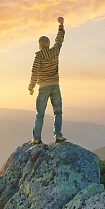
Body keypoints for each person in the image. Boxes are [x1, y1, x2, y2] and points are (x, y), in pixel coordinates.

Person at [28, 16, 66, 144]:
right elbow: (59, 39)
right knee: (58, 112)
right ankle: (58, 135)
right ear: (49, 44)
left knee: (40, 114)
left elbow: (35, 71)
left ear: (39, 45)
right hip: (55, 86)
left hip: (43, 87)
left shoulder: (38, 56)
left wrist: (31, 87)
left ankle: (37, 138)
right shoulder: (55, 52)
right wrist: (61, 25)